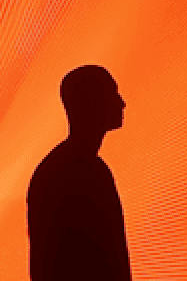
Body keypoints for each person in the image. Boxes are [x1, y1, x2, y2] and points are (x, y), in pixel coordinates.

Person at [26, 65, 132, 281]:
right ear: (92, 103)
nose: (122, 103)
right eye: (112, 94)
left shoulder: (60, 169)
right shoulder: (81, 172)